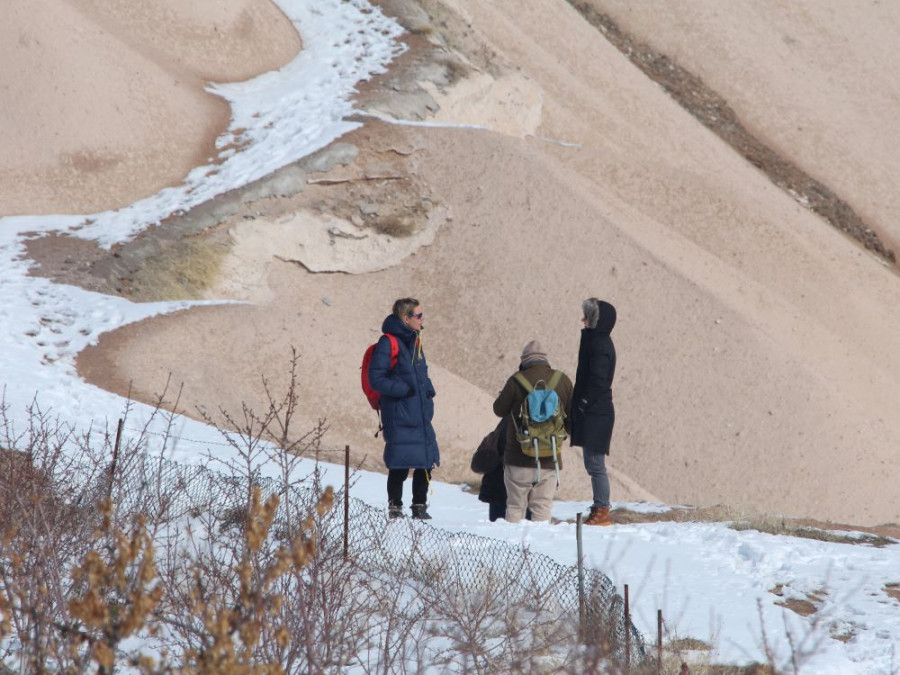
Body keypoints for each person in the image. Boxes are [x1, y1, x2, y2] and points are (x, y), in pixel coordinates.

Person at [367, 297, 439, 520]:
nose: (422, 319)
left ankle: (419, 506)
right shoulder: (388, 343)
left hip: (419, 413)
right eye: (418, 315)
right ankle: (395, 507)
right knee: (399, 462)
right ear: (405, 318)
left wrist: (428, 390)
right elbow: (376, 379)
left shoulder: (415, 340)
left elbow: (421, 373)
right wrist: (404, 390)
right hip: (399, 413)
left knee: (425, 461)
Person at [492, 340, 573, 523]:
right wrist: (559, 436)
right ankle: (539, 549)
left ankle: (513, 549)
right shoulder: (562, 381)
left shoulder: (516, 381)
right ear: (545, 360)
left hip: (517, 458)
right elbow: (572, 418)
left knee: (514, 506)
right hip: (549, 458)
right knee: (542, 508)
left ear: (524, 361)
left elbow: (499, 410)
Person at [571, 298, 617, 526]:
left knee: (596, 464)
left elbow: (598, 381)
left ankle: (602, 511)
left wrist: (583, 402)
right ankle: (599, 508)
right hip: (594, 410)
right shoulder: (596, 341)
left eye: (587, 317)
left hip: (596, 412)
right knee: (592, 463)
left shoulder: (599, 345)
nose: (583, 320)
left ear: (596, 321)